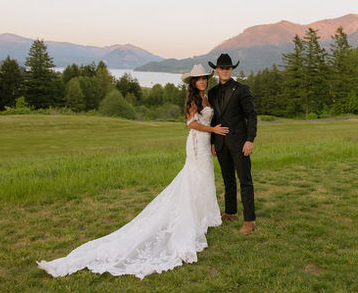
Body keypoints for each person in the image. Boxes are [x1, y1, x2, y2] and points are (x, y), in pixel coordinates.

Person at [37, 64, 228, 279]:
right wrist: (212, 130)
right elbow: (190, 124)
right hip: (195, 143)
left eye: (204, 78)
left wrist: (212, 139)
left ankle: (202, 216)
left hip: (204, 144)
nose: (202, 81)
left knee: (203, 179)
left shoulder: (206, 98)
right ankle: (189, 220)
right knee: (195, 177)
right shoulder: (193, 99)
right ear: (192, 82)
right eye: (198, 79)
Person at [207, 54, 257, 234]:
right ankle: (230, 212)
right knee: (228, 181)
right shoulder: (212, 92)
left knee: (245, 181)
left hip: (240, 143)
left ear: (232, 69)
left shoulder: (242, 90)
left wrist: (250, 140)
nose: (225, 71)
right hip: (221, 144)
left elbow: (251, 115)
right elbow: (212, 120)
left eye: (228, 68)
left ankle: (250, 220)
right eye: (221, 68)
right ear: (217, 70)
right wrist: (213, 142)